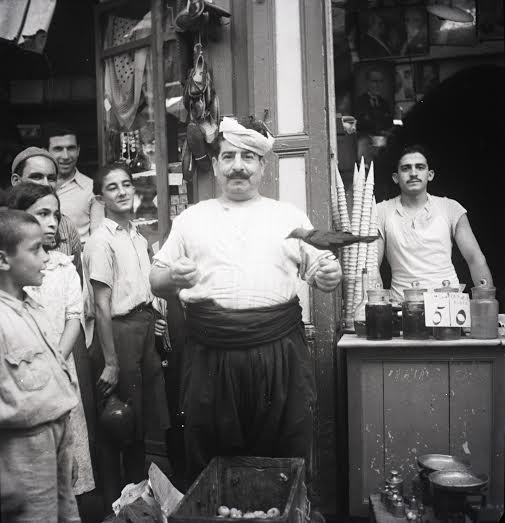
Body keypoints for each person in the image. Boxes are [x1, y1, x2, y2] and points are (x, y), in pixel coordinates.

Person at [149, 117, 342, 498]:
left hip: (280, 356)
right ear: (216, 164)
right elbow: (155, 280)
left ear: (262, 166)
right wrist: (173, 276)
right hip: (211, 358)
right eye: (228, 156)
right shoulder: (192, 219)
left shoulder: (289, 217)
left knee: (283, 453)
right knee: (211, 459)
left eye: (248, 157)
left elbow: (323, 271)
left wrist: (329, 275)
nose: (238, 165)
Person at [83, 162, 169, 511]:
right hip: (116, 335)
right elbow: (102, 306)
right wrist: (111, 362)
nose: (121, 191)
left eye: (126, 184)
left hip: (142, 332)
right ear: (100, 197)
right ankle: (113, 508)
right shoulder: (100, 241)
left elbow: (144, 290)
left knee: (141, 424)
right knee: (117, 424)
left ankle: (136, 506)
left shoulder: (137, 237)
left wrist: (155, 319)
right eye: (112, 186)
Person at [7, 183, 95, 500]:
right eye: (42, 214)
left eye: (56, 215)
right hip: (24, 373)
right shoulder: (16, 270)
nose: (52, 223)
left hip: (60, 364)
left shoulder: (63, 266)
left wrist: (56, 359)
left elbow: (74, 316)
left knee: (68, 455)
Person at [0, 210, 80, 522]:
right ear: (3, 260)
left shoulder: (32, 306)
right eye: (35, 250)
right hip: (22, 451)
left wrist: (65, 449)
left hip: (54, 438)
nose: (46, 258)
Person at [377, 145, 493, 301]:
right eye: (406, 168)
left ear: (430, 175)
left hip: (449, 302)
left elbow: (475, 258)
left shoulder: (450, 208)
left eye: (420, 167)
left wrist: (486, 304)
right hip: (402, 305)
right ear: (395, 177)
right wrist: (376, 306)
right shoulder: (381, 211)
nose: (413, 173)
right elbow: (372, 267)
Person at [11, 146, 82, 281]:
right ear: (16, 181)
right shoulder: (4, 225)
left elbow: (76, 282)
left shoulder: (66, 226)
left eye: (51, 178)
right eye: (36, 177)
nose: (45, 184)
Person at [46, 125, 104, 244]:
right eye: (58, 149)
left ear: (78, 150)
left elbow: (98, 240)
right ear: (46, 152)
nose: (66, 156)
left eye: (71, 148)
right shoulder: (35, 185)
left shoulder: (92, 188)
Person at [355, 68, 394, 136]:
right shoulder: (359, 102)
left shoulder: (385, 103)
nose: (378, 85)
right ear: (367, 83)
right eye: (375, 81)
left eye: (381, 81)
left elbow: (390, 124)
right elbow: (358, 126)